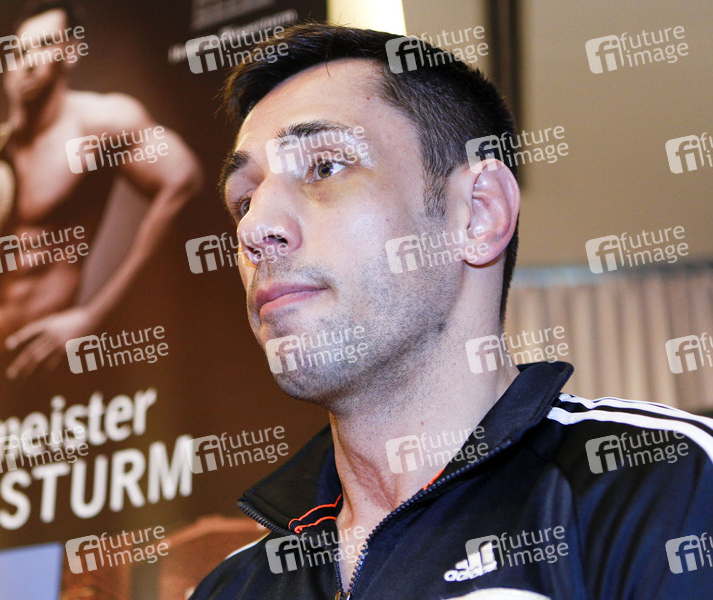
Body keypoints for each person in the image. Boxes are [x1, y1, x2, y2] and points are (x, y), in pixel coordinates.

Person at [190, 23, 713, 599]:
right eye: (244, 200)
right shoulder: (230, 589)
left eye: (324, 167)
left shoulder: (668, 488)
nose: (255, 229)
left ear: (478, 213)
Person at [0, 0, 202, 381]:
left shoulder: (100, 124)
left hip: (40, 365)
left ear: (69, 53)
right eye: (19, 52)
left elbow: (184, 180)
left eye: (44, 45)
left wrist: (94, 316)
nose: (28, 62)